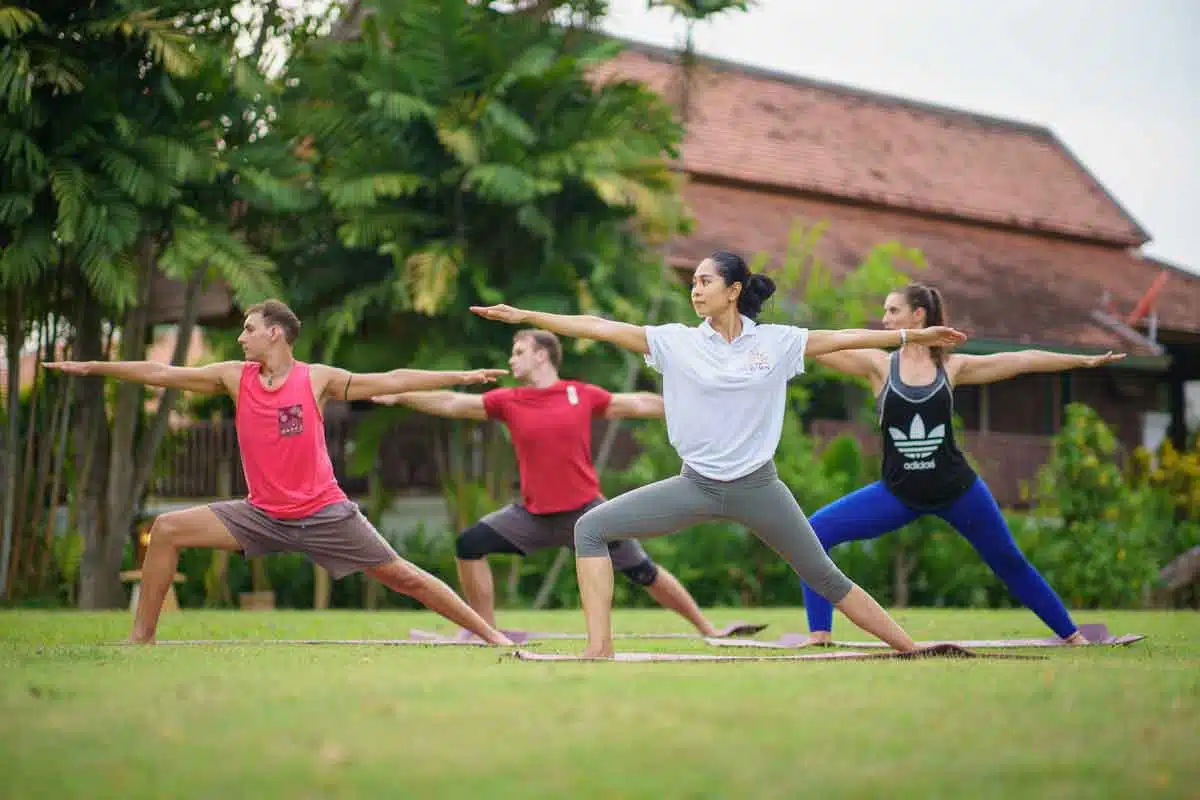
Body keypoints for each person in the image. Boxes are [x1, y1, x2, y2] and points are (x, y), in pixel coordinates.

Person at [470, 250, 968, 658]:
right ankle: (600, 650)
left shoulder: (776, 342)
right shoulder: (675, 342)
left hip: (759, 487)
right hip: (695, 486)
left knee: (822, 574)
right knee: (591, 528)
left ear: (733, 290)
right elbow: (597, 325)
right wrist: (527, 316)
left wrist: (912, 336)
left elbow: (843, 337)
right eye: (692, 282)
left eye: (706, 280)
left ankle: (911, 647)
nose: (695, 288)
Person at [46, 299, 515, 646]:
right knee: (167, 529)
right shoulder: (234, 376)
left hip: (324, 512)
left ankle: (492, 637)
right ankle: (141, 639)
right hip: (261, 514)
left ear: (275, 333)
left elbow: (392, 380)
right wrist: (92, 366)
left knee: (404, 577)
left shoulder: (316, 379)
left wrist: (461, 377)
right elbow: (159, 373)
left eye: (248, 329)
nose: (240, 337)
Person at [373, 328, 765, 639]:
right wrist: (400, 394)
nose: (511, 360)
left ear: (542, 355)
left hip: (588, 514)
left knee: (643, 572)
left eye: (518, 352)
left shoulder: (581, 394)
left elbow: (640, 403)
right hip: (532, 516)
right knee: (469, 545)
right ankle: (483, 631)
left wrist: (704, 404)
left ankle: (708, 629)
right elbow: (452, 404)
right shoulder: (508, 401)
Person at [799, 283, 1124, 646]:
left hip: (957, 491)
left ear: (918, 314)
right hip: (899, 493)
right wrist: (755, 330)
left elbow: (1023, 360)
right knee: (813, 535)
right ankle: (820, 633)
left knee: (1009, 562)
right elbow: (815, 347)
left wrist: (1083, 361)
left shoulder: (953, 367)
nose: (885, 319)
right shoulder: (878, 364)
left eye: (893, 311)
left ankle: (1073, 636)